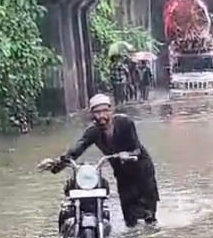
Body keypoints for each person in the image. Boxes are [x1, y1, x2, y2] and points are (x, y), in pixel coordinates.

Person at [50, 94, 160, 227]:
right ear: (92, 115)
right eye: (97, 112)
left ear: (111, 111)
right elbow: (78, 147)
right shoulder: (93, 132)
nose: (101, 116)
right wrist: (58, 163)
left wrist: (126, 153)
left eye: (104, 111)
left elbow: (137, 149)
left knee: (148, 214)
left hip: (141, 171)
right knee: (130, 218)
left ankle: (151, 236)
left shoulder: (125, 123)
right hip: (122, 175)